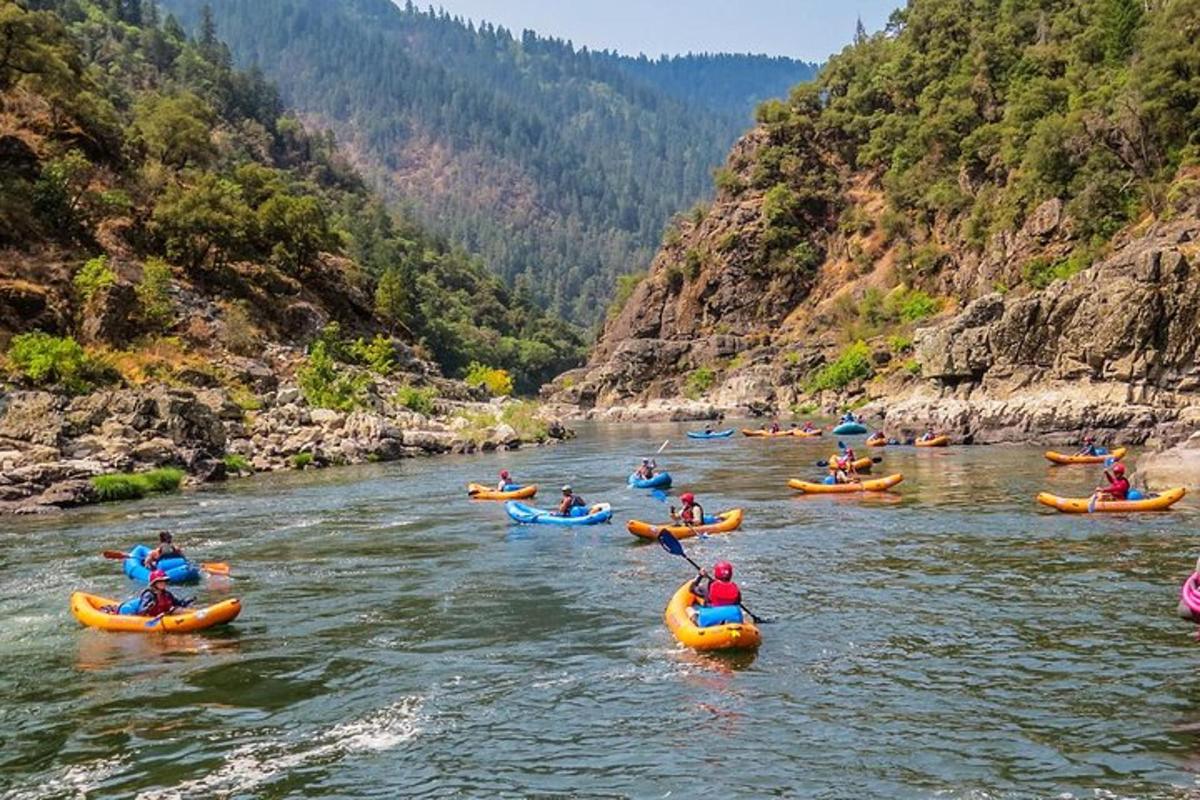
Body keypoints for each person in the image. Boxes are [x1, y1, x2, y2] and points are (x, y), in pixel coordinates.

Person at [104, 569, 193, 616]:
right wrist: (148, 607)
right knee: (118, 610)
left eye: (164, 581)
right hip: (128, 610)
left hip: (155, 613)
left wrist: (186, 602)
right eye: (160, 581)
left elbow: (177, 603)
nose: (163, 583)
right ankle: (112, 609)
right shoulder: (149, 595)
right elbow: (141, 611)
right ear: (154, 583)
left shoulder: (167, 594)